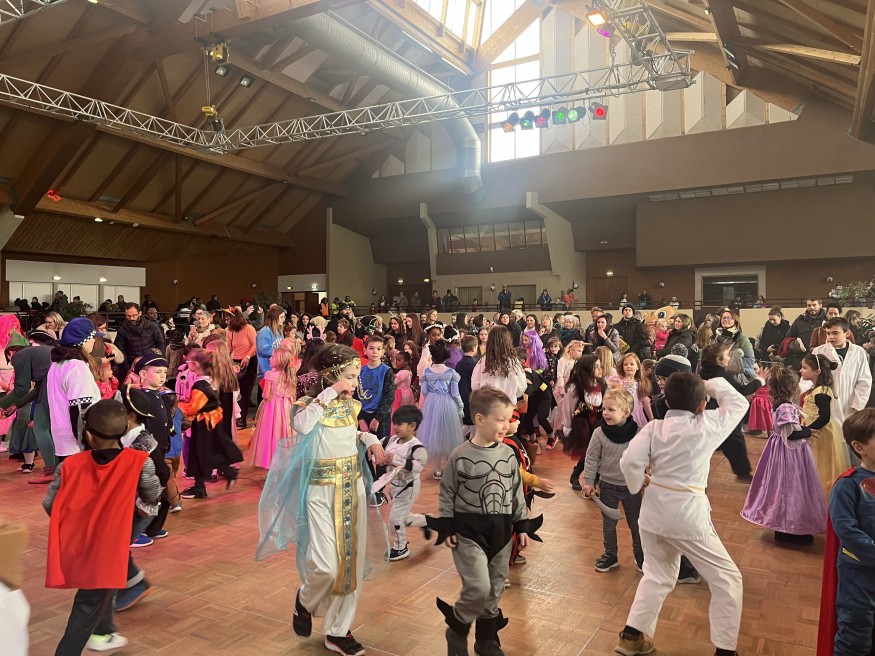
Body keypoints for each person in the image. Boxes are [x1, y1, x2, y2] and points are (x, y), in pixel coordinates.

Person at [256, 344, 386, 656]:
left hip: (350, 489)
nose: (354, 382)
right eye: (349, 376)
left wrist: (368, 438)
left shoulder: (350, 405)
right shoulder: (308, 404)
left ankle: (338, 631)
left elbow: (348, 434)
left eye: (355, 376)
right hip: (319, 491)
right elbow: (302, 426)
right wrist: (329, 394)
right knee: (326, 566)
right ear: (330, 375)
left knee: (350, 565)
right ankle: (305, 600)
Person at [616, 374, 747, 656]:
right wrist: (708, 384)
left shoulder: (654, 428)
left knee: (656, 574)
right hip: (688, 515)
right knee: (727, 579)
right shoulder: (707, 424)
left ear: (666, 401)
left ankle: (631, 636)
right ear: (702, 405)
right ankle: (726, 651)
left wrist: (638, 483)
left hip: (653, 512)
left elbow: (628, 461)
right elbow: (738, 403)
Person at [422, 386, 542, 656]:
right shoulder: (459, 455)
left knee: (496, 584)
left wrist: (522, 524)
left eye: (509, 419)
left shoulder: (508, 454)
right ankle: (459, 624)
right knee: (479, 585)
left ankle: (486, 638)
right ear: (479, 419)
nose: (507, 425)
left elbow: (515, 492)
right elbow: (447, 493)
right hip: (468, 533)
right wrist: (447, 526)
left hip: (501, 532)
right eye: (501, 419)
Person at [43, 399, 160, 655]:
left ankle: (103, 631)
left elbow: (50, 504)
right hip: (108, 548)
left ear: (88, 436)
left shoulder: (68, 466)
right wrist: (133, 511)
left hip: (78, 544)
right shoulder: (140, 462)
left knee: (96, 595)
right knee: (87, 604)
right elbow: (152, 496)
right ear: (124, 430)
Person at [741, 364, 827, 547]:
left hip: (783, 450)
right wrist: (808, 431)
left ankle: (786, 527)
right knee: (791, 488)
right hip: (790, 454)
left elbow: (789, 429)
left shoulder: (782, 404)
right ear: (791, 387)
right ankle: (788, 529)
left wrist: (803, 429)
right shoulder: (786, 407)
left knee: (783, 488)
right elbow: (791, 434)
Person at [817, 408, 875, 656]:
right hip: (858, 574)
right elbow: (847, 531)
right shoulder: (848, 484)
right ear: (859, 447)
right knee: (855, 635)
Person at [583, 387, 643, 573]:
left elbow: (647, 457)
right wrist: (589, 481)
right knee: (608, 524)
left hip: (633, 487)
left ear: (626, 412)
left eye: (611, 409)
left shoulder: (639, 433)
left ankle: (641, 556)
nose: (605, 413)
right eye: (604, 409)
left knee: (636, 524)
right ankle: (610, 555)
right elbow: (591, 458)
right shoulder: (599, 433)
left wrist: (648, 476)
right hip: (608, 486)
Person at [178, 349, 243, 499]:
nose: (187, 363)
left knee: (201, 454)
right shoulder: (212, 380)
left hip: (203, 424)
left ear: (196, 364)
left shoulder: (200, 384)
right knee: (209, 452)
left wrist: (178, 406)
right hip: (212, 422)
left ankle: (200, 487)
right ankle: (224, 474)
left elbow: (194, 407)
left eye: (189, 362)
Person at [699, 343, 763, 481]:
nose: (729, 358)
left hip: (712, 409)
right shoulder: (722, 375)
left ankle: (742, 472)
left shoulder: (705, 371)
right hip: (722, 411)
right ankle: (742, 473)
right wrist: (760, 380)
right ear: (718, 360)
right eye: (727, 355)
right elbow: (742, 390)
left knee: (729, 441)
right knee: (735, 440)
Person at [380, 405, 428, 561]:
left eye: (400, 424)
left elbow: (419, 466)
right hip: (394, 486)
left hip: (408, 486)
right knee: (403, 518)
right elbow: (378, 452)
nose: (395, 427)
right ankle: (427, 521)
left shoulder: (416, 447)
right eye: (394, 423)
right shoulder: (390, 440)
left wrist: (395, 459)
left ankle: (401, 548)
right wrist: (379, 458)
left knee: (395, 519)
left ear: (412, 426)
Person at [799, 353, 848, 493]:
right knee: (815, 463)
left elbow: (824, 417)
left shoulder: (821, 391)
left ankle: (822, 494)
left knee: (822, 464)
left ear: (817, 371)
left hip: (821, 433)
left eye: (805, 368)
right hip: (816, 432)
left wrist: (807, 431)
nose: (801, 370)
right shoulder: (815, 390)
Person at [813, 317, 872, 429]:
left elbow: (864, 380)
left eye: (835, 333)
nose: (831, 337)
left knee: (847, 434)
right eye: (828, 333)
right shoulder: (819, 351)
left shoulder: (858, 352)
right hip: (825, 402)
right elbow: (810, 378)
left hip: (850, 403)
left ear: (847, 333)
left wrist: (858, 404)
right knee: (828, 434)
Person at [558, 354, 606, 491]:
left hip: (599, 423)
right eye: (596, 367)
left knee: (599, 452)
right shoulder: (575, 387)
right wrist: (567, 426)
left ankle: (595, 478)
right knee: (588, 453)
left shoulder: (602, 384)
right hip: (583, 424)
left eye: (600, 366)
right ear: (587, 368)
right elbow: (568, 408)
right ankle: (576, 475)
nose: (600, 369)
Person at [418, 340, 464, 480]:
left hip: (431, 404)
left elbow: (424, 391)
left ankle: (438, 470)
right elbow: (455, 393)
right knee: (449, 436)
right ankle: (450, 468)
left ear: (433, 357)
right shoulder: (451, 373)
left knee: (435, 437)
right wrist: (460, 406)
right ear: (445, 358)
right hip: (447, 404)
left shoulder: (427, 372)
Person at [249, 346, 296, 470]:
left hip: (272, 408)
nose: (270, 359)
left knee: (270, 432)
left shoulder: (270, 375)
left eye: (273, 357)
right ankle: (286, 460)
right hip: (287, 407)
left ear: (280, 360)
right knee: (285, 431)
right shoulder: (290, 375)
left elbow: (265, 395)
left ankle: (270, 459)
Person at [471, 325, 527, 405]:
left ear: (490, 341)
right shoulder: (514, 362)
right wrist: (511, 393)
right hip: (507, 405)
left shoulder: (483, 361)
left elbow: (475, 385)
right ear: (508, 341)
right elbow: (522, 386)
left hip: (488, 405)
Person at [357, 335, 395, 444]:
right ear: (365, 350)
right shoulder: (360, 371)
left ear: (383, 352)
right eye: (371, 348)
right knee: (362, 447)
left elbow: (389, 396)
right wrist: (360, 419)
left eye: (378, 349)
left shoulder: (386, 371)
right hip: (363, 415)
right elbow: (355, 396)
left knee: (380, 447)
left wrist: (377, 418)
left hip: (380, 417)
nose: (375, 352)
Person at [226, 308, 257, 429]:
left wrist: (247, 356)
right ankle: (237, 417)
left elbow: (255, 345)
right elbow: (228, 349)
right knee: (236, 390)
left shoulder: (249, 328)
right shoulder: (230, 331)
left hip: (249, 362)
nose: (227, 321)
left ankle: (242, 420)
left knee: (244, 391)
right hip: (236, 363)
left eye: (228, 318)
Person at [115, 303, 165, 375]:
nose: (131, 318)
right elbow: (121, 351)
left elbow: (160, 344)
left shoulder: (151, 326)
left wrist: (160, 361)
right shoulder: (122, 331)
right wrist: (128, 369)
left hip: (151, 365)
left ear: (140, 313)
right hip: (132, 368)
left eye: (134, 315)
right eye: (128, 316)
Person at [608, 353, 653, 428]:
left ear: (638, 367)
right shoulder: (617, 381)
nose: (628, 366)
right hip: (621, 412)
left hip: (637, 414)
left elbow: (645, 402)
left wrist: (651, 418)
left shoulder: (640, 383)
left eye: (632, 364)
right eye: (625, 364)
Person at [786, 298, 827, 368]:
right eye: (809, 305)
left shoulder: (826, 320)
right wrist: (796, 344)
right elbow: (789, 337)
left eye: (814, 305)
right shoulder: (800, 320)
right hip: (800, 359)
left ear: (820, 305)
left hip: (820, 359)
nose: (812, 307)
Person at [456, 335, 478, 439]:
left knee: (468, 422)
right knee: (471, 423)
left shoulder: (459, 363)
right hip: (470, 396)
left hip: (460, 395)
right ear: (474, 348)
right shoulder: (473, 364)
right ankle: (457, 439)